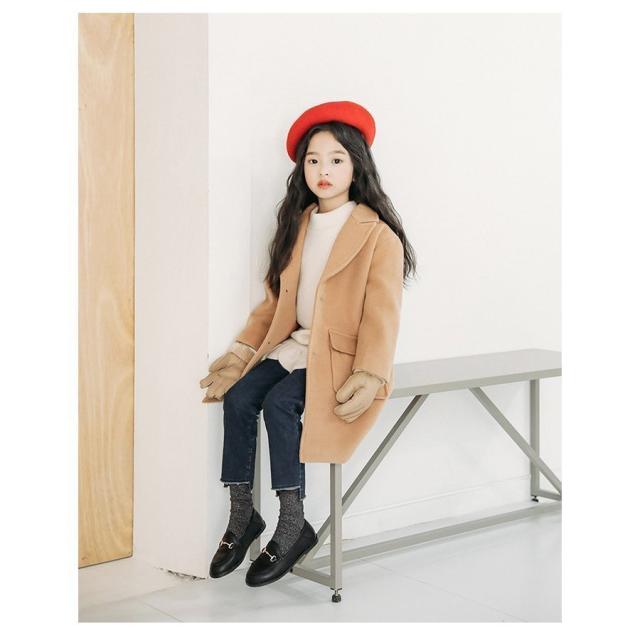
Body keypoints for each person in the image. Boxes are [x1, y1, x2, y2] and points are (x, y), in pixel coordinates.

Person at [200, 100, 417, 588]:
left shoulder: (377, 235)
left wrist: (371, 370)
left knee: (280, 405)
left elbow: (382, 313)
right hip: (294, 346)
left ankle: (293, 523)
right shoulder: (297, 224)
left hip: (339, 357)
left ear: (357, 165)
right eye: (314, 160)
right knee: (239, 398)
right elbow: (275, 303)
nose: (323, 170)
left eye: (336, 159)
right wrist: (241, 352)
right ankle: (242, 514)